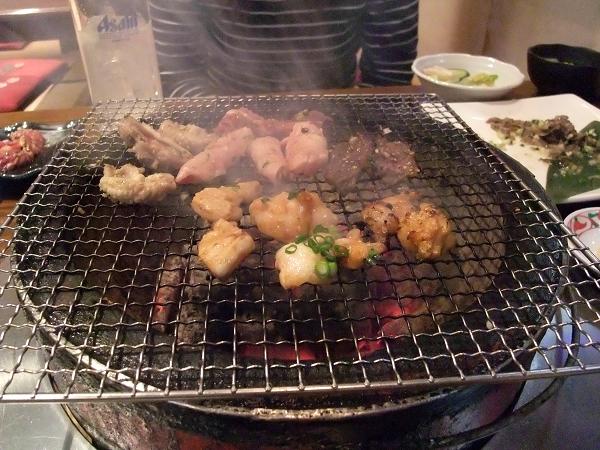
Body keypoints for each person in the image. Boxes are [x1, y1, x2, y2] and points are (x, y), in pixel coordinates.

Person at [151, 0, 419, 95]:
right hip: (222, 110)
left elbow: (388, 81)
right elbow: (178, 75)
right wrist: (226, 123)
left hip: (334, 113)